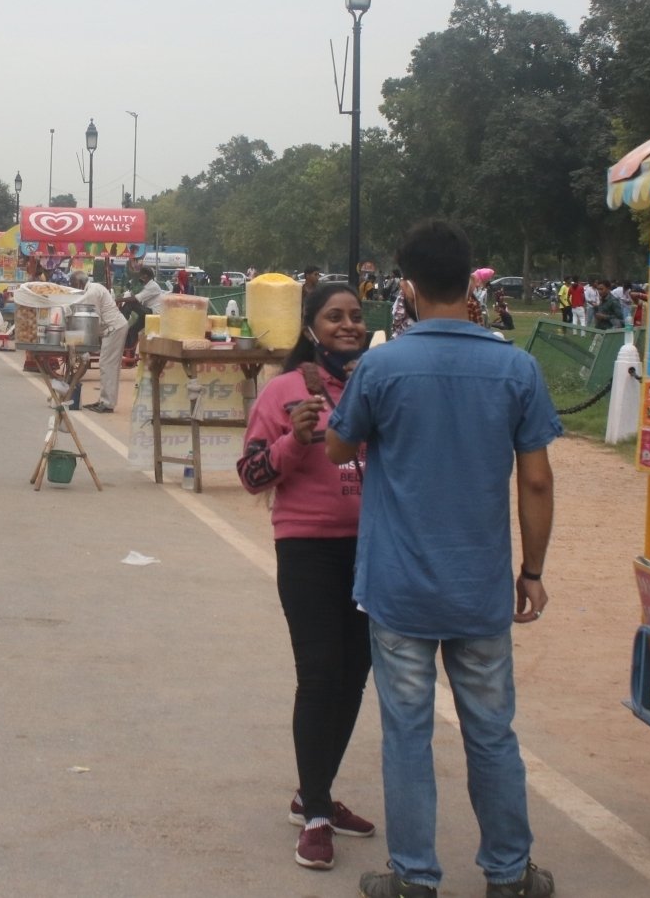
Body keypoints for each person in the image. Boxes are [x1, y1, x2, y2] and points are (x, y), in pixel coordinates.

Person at [324, 220, 559, 898]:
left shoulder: (381, 364)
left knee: (407, 732)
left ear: (407, 287)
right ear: (470, 282)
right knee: (491, 731)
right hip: (479, 584)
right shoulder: (515, 366)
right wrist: (533, 570)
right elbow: (536, 479)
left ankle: (414, 876)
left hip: (399, 584)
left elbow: (341, 449)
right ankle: (510, 872)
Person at [236, 282, 375, 872]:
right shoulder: (284, 391)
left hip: (373, 553)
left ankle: (311, 789)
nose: (348, 326)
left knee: (353, 678)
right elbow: (250, 475)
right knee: (320, 675)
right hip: (308, 552)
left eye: (355, 316)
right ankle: (315, 813)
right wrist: (295, 438)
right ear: (311, 328)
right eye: (334, 317)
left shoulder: (376, 384)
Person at [71, 270, 130, 413]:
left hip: (114, 328)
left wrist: (82, 340)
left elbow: (93, 318)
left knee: (107, 365)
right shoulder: (94, 288)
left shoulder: (92, 293)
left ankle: (107, 403)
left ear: (79, 283)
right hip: (112, 328)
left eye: (73, 284)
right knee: (106, 364)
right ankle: (104, 400)